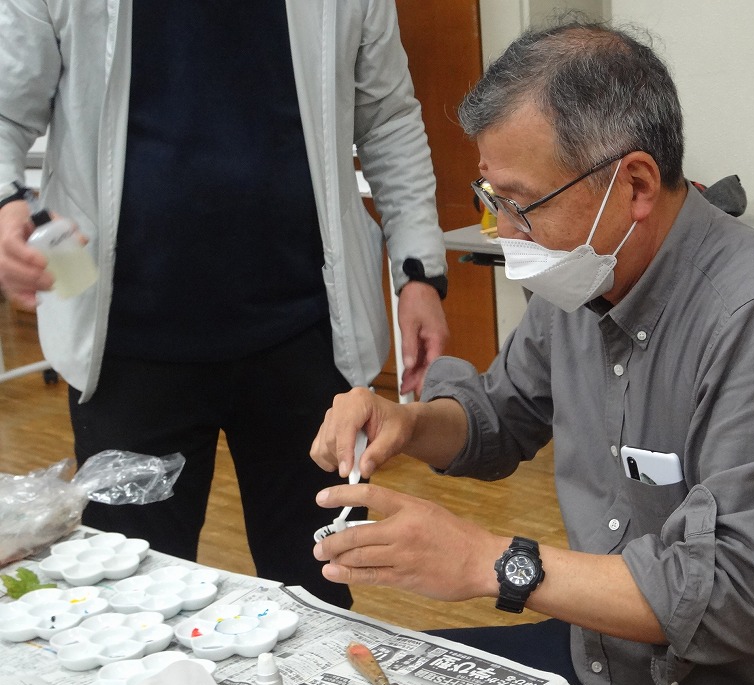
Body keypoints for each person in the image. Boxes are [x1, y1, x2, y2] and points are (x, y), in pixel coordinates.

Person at [308, 19, 754, 685]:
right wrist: (408, 422)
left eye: (522, 204)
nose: (505, 232)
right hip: (609, 666)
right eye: (492, 198)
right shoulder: (585, 277)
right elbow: (499, 417)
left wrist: (487, 561)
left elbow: (732, 597)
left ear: (636, 185)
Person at [0, 1, 449, 608]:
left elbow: (388, 119)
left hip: (309, 340)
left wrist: (419, 270)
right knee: (132, 597)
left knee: (316, 585)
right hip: (124, 348)